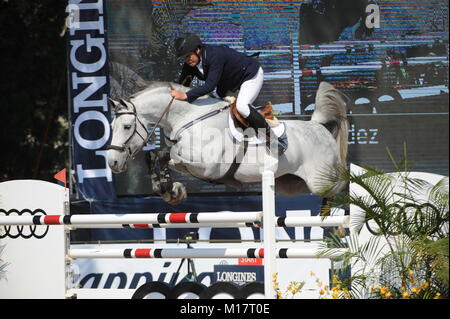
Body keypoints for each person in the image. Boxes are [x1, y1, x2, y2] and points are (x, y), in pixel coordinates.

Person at [170, 33, 286, 155]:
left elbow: (210, 86)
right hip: (228, 82)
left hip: (250, 75)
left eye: (189, 56)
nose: (187, 60)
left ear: (197, 50)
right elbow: (182, 85)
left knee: (242, 106)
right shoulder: (190, 64)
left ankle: (273, 138)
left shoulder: (215, 55)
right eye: (184, 57)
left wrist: (187, 96)